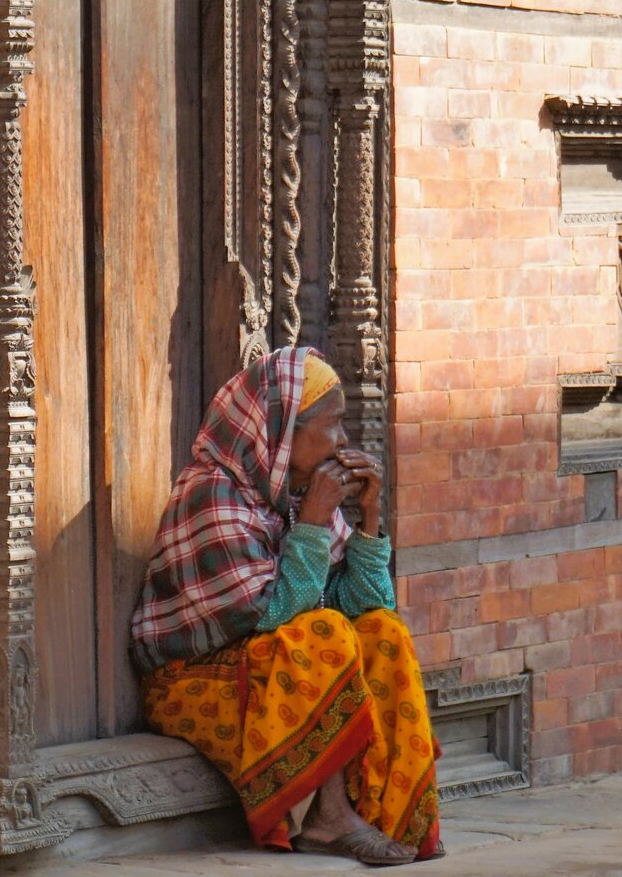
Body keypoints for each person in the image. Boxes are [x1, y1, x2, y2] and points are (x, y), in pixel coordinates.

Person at [131, 347, 442, 866]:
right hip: (193, 682)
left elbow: (364, 608)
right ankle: (326, 819)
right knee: (321, 636)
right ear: (283, 431)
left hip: (272, 669)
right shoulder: (213, 494)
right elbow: (271, 617)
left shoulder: (294, 496)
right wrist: (313, 528)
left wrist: (368, 518)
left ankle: (400, 814)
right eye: (333, 425)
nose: (342, 441)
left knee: (383, 631)